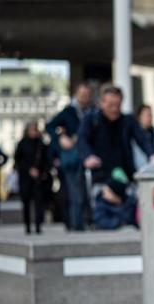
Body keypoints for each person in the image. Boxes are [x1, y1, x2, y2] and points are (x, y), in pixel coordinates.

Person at [77, 84, 154, 230]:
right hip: (101, 177)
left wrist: (152, 155)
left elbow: (142, 139)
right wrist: (88, 156)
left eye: (118, 105)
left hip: (125, 176)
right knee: (104, 217)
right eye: (110, 105)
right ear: (102, 103)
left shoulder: (128, 121)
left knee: (129, 216)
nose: (114, 109)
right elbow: (82, 140)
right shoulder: (91, 120)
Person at [46, 82, 94, 231]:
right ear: (76, 95)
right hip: (73, 159)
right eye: (82, 95)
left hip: (90, 157)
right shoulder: (68, 112)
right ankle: (77, 225)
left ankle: (90, 222)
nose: (84, 98)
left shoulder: (92, 111)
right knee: (76, 194)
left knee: (89, 193)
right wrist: (61, 137)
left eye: (87, 95)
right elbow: (50, 127)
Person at [14, 122, 50, 234]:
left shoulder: (41, 144)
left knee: (39, 203)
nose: (33, 132)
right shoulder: (22, 144)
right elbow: (18, 161)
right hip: (25, 179)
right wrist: (29, 169)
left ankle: (39, 226)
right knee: (26, 203)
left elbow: (46, 160)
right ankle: (28, 226)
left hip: (38, 180)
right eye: (31, 130)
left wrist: (42, 172)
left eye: (35, 130)